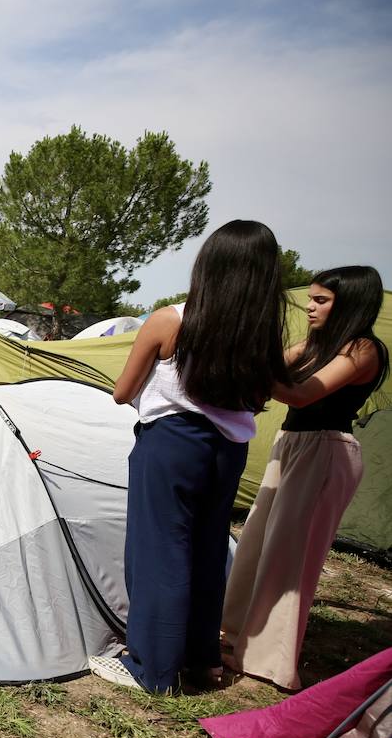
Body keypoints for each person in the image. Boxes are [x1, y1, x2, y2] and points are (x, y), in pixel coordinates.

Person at [88, 219, 290, 694]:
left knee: (161, 552)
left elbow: (122, 392)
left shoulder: (171, 319)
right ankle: (202, 663)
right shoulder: (260, 334)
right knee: (205, 551)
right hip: (229, 451)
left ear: (209, 265)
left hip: (172, 444)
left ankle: (150, 668)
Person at [222, 266, 387, 690]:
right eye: (310, 298)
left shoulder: (363, 349)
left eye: (321, 300)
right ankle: (232, 636)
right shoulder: (316, 343)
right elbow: (274, 371)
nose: (309, 307)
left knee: (289, 558)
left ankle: (268, 661)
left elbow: (300, 393)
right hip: (291, 444)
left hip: (325, 450)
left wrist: (254, 362)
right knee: (256, 541)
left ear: (348, 303)